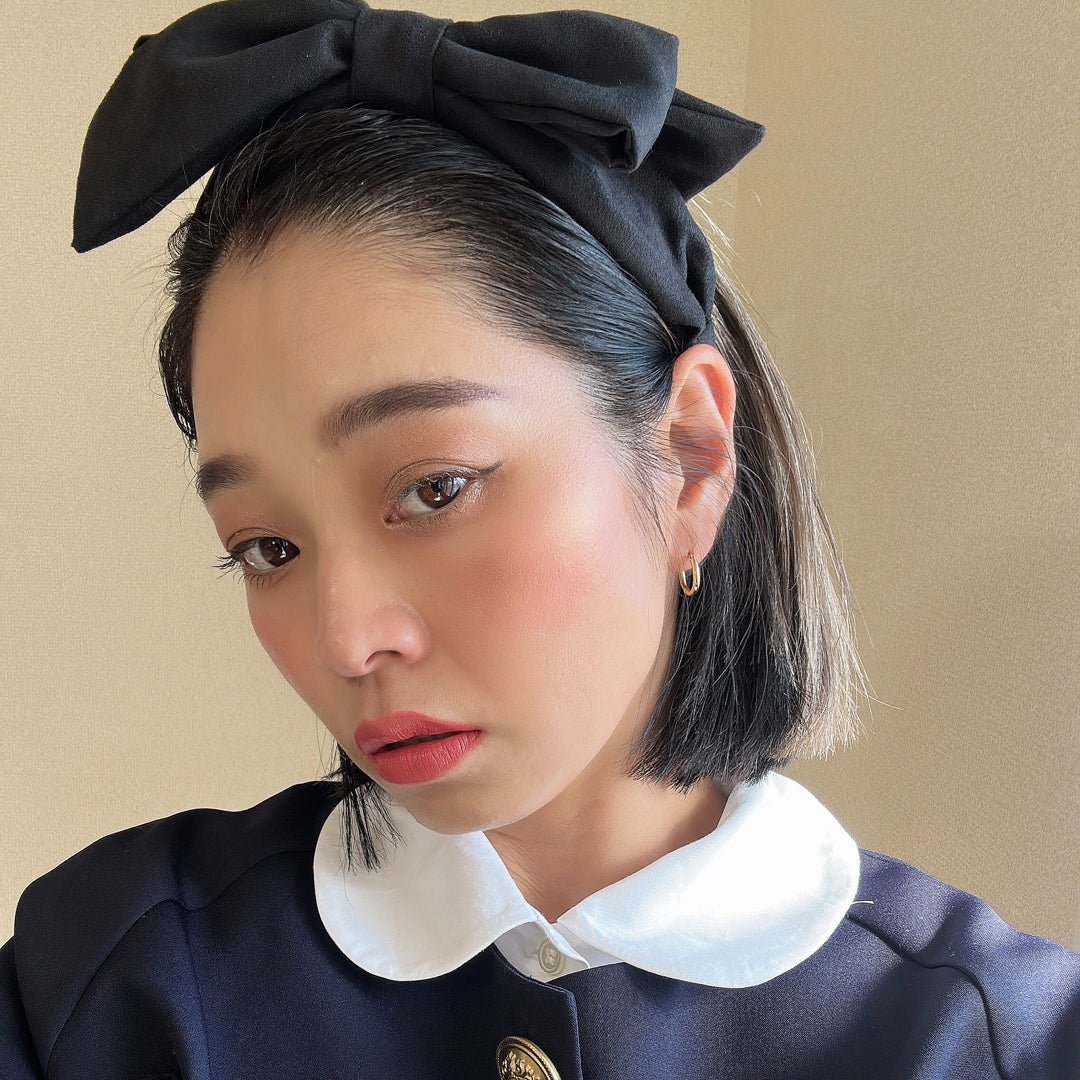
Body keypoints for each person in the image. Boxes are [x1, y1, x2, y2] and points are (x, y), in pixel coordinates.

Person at [3, 1, 1078, 1077]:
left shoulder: (997, 1042)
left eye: (435, 488)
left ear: (692, 456)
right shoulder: (103, 987)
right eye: (267, 548)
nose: (346, 640)